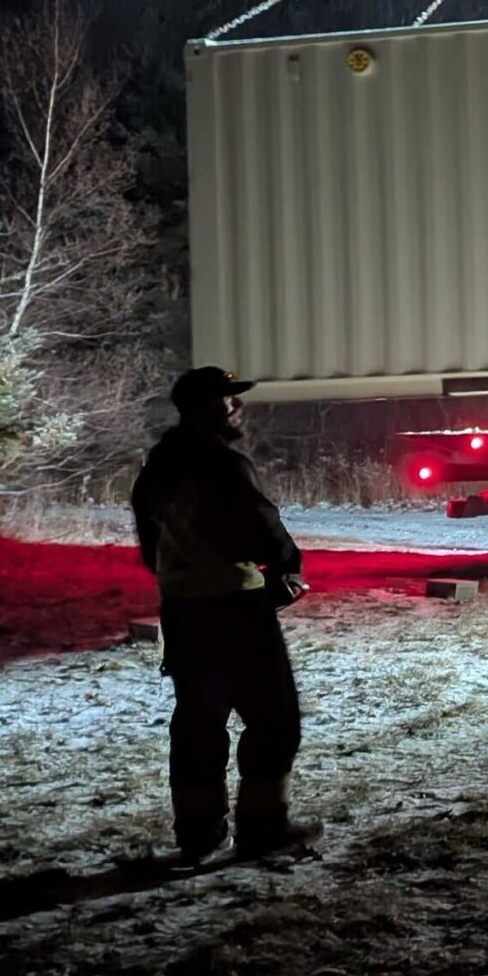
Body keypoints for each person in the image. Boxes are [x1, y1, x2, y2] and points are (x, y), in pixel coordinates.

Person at [130, 366, 320, 859]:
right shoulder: (223, 461)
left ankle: (199, 834)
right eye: (226, 399)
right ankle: (263, 827)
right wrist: (287, 567)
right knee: (274, 717)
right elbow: (260, 520)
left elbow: (149, 542)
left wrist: (177, 577)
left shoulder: (159, 464)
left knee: (198, 720)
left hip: (184, 609)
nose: (236, 407)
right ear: (200, 407)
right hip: (237, 604)